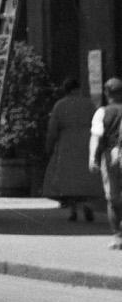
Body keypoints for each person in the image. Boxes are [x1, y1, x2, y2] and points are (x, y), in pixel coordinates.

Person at [43, 78, 102, 221]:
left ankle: (73, 210)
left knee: (70, 177)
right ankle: (88, 205)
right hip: (87, 140)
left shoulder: (60, 105)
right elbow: (97, 122)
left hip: (67, 142)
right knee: (86, 175)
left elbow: (53, 129)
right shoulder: (88, 104)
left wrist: (49, 146)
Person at [89, 77, 122, 251]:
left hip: (110, 157)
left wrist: (92, 157)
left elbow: (96, 136)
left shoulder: (102, 112)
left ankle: (117, 236)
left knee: (113, 198)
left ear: (107, 93)